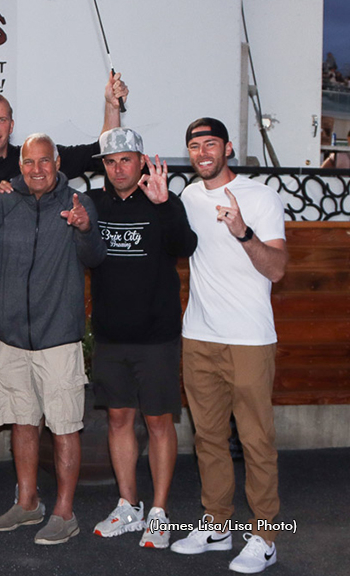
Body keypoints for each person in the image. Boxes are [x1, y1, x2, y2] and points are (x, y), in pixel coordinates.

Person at [0, 74, 128, 405]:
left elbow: (102, 149)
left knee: (24, 401)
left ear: (11, 124)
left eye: (2, 120)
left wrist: (112, 106)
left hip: (19, 312)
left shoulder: (34, 159)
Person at [170, 118, 288, 574]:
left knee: (257, 440)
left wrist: (242, 231)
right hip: (199, 336)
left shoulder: (259, 197)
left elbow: (277, 269)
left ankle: (266, 536)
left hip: (250, 339)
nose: (202, 152)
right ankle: (217, 523)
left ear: (227, 148)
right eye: (195, 145)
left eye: (210, 144)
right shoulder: (187, 197)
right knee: (208, 438)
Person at [0, 133, 106, 545]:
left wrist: (85, 229)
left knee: (65, 426)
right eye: (29, 162)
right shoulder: (2, 202)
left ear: (57, 163)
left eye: (44, 162)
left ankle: (64, 513)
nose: (37, 169)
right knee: (22, 422)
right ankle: (28, 502)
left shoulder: (77, 203)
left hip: (59, 339)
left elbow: (95, 258)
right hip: (12, 338)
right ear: (20, 165)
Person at [86, 128, 198, 548]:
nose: (118, 169)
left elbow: (185, 245)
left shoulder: (165, 200)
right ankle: (128, 506)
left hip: (157, 336)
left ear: (141, 161)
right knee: (118, 420)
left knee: (158, 423)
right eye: (110, 162)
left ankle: (159, 512)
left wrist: (164, 203)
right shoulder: (93, 204)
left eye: (126, 160)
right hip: (111, 335)